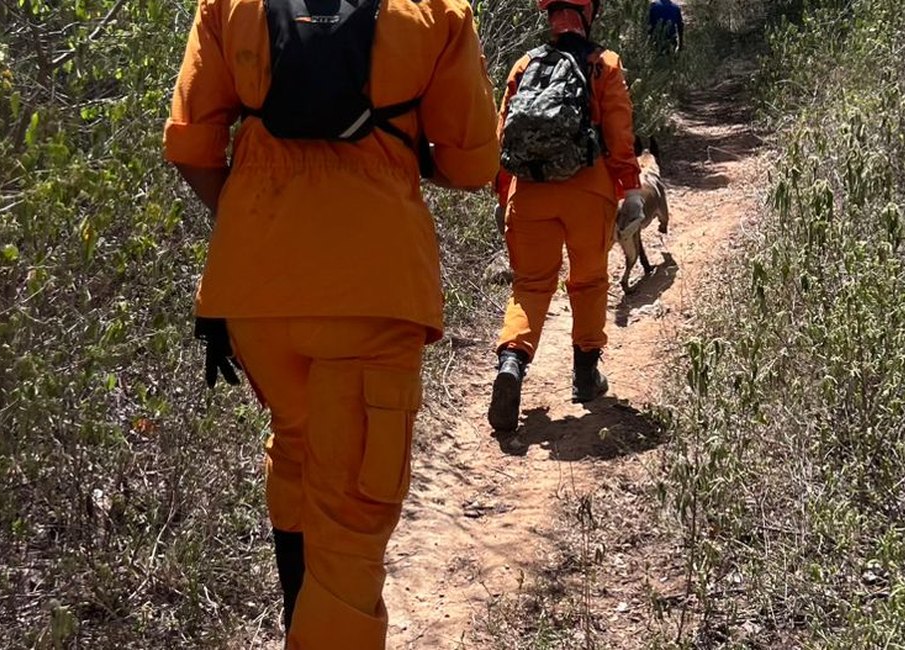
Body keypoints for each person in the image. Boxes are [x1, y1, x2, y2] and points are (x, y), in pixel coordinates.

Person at [162, 0, 500, 646]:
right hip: (373, 293)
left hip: (255, 290)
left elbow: (190, 142)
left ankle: (300, 623)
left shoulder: (229, 5)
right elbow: (474, 164)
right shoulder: (436, 10)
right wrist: (403, 147)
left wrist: (251, 231)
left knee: (297, 445)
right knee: (350, 521)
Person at [488, 0, 644, 432]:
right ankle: (585, 375)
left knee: (531, 285)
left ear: (550, 16)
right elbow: (619, 136)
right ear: (588, 14)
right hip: (587, 192)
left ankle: (512, 362)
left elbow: (503, 136)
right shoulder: (604, 65)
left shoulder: (524, 65)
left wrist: (504, 194)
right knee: (589, 281)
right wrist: (629, 190)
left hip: (529, 193)